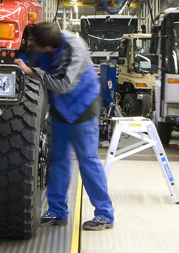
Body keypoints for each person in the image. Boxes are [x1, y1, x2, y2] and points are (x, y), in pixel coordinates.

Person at [15, 21, 114, 231]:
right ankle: (58, 212)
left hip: (82, 108)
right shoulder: (43, 42)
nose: (31, 44)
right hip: (60, 110)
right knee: (58, 159)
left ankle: (105, 215)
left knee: (87, 160)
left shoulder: (74, 48)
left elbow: (62, 85)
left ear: (47, 46)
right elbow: (25, 59)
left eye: (35, 43)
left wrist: (32, 72)